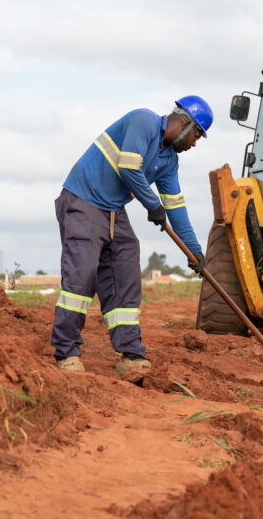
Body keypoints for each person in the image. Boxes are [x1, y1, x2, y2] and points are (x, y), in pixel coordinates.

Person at [51, 96, 213, 374]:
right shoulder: (144, 120)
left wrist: (194, 250)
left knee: (125, 268)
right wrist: (153, 206)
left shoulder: (169, 161)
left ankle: (131, 355)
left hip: (112, 209)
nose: (195, 143)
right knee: (81, 278)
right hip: (83, 200)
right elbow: (128, 167)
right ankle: (66, 353)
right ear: (185, 123)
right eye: (197, 134)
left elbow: (175, 206)